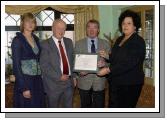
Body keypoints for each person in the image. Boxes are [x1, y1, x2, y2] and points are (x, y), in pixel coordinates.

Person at [97, 10, 146, 108]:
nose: (125, 26)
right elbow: (116, 57)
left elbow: (130, 62)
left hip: (130, 84)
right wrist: (107, 57)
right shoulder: (120, 39)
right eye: (123, 23)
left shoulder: (138, 41)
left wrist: (108, 69)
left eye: (129, 23)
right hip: (116, 81)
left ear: (135, 26)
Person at [11, 13, 45, 108]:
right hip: (25, 81)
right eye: (27, 21)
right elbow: (16, 66)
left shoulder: (37, 39)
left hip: (38, 81)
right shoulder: (17, 40)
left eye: (33, 22)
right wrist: (23, 88)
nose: (30, 24)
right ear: (23, 23)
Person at [74, 19, 110, 108]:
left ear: (98, 30)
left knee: (99, 107)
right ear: (86, 30)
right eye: (89, 27)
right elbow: (74, 62)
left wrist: (104, 63)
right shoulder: (78, 44)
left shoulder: (105, 43)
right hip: (84, 81)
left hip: (99, 82)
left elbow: (111, 62)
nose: (91, 30)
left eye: (94, 27)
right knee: (85, 107)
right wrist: (79, 72)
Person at [40, 19, 75, 108]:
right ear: (53, 28)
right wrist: (59, 76)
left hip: (68, 83)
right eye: (58, 28)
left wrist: (74, 77)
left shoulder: (69, 42)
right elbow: (44, 66)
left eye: (63, 29)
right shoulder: (45, 44)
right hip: (53, 85)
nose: (61, 31)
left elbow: (72, 61)